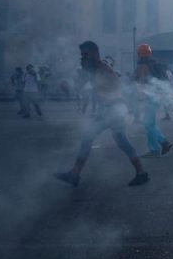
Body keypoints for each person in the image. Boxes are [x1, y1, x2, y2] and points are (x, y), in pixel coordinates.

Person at [55, 41, 149, 187]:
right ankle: (141, 173)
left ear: (95, 54)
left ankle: (74, 174)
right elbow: (83, 84)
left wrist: (105, 112)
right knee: (122, 142)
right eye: (82, 55)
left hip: (113, 110)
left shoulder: (103, 69)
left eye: (85, 54)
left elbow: (110, 90)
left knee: (88, 137)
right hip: (113, 110)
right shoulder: (95, 69)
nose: (83, 58)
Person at [135, 44, 173, 158]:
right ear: (150, 54)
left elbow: (142, 83)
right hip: (156, 97)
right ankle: (163, 143)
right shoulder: (155, 65)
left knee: (148, 124)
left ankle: (156, 148)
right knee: (151, 124)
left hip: (149, 97)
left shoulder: (143, 66)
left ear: (139, 54)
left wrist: (139, 96)